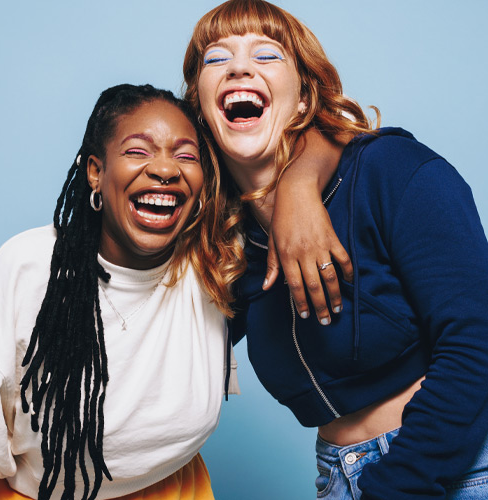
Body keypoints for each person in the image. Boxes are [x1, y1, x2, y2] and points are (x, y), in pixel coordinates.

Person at [183, 1, 488, 498]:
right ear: (200, 107)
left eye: (266, 55)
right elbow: (175, 348)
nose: (239, 67)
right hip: (337, 476)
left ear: (303, 99)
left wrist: (397, 483)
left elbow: (477, 340)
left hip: (454, 471)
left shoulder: (391, 171)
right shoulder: (231, 243)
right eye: (217, 59)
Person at [0, 84, 243, 500]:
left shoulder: (214, 263)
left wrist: (300, 191)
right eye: (138, 151)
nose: (165, 169)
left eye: (186, 155)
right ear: (95, 172)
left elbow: (293, 155)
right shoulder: (28, 267)